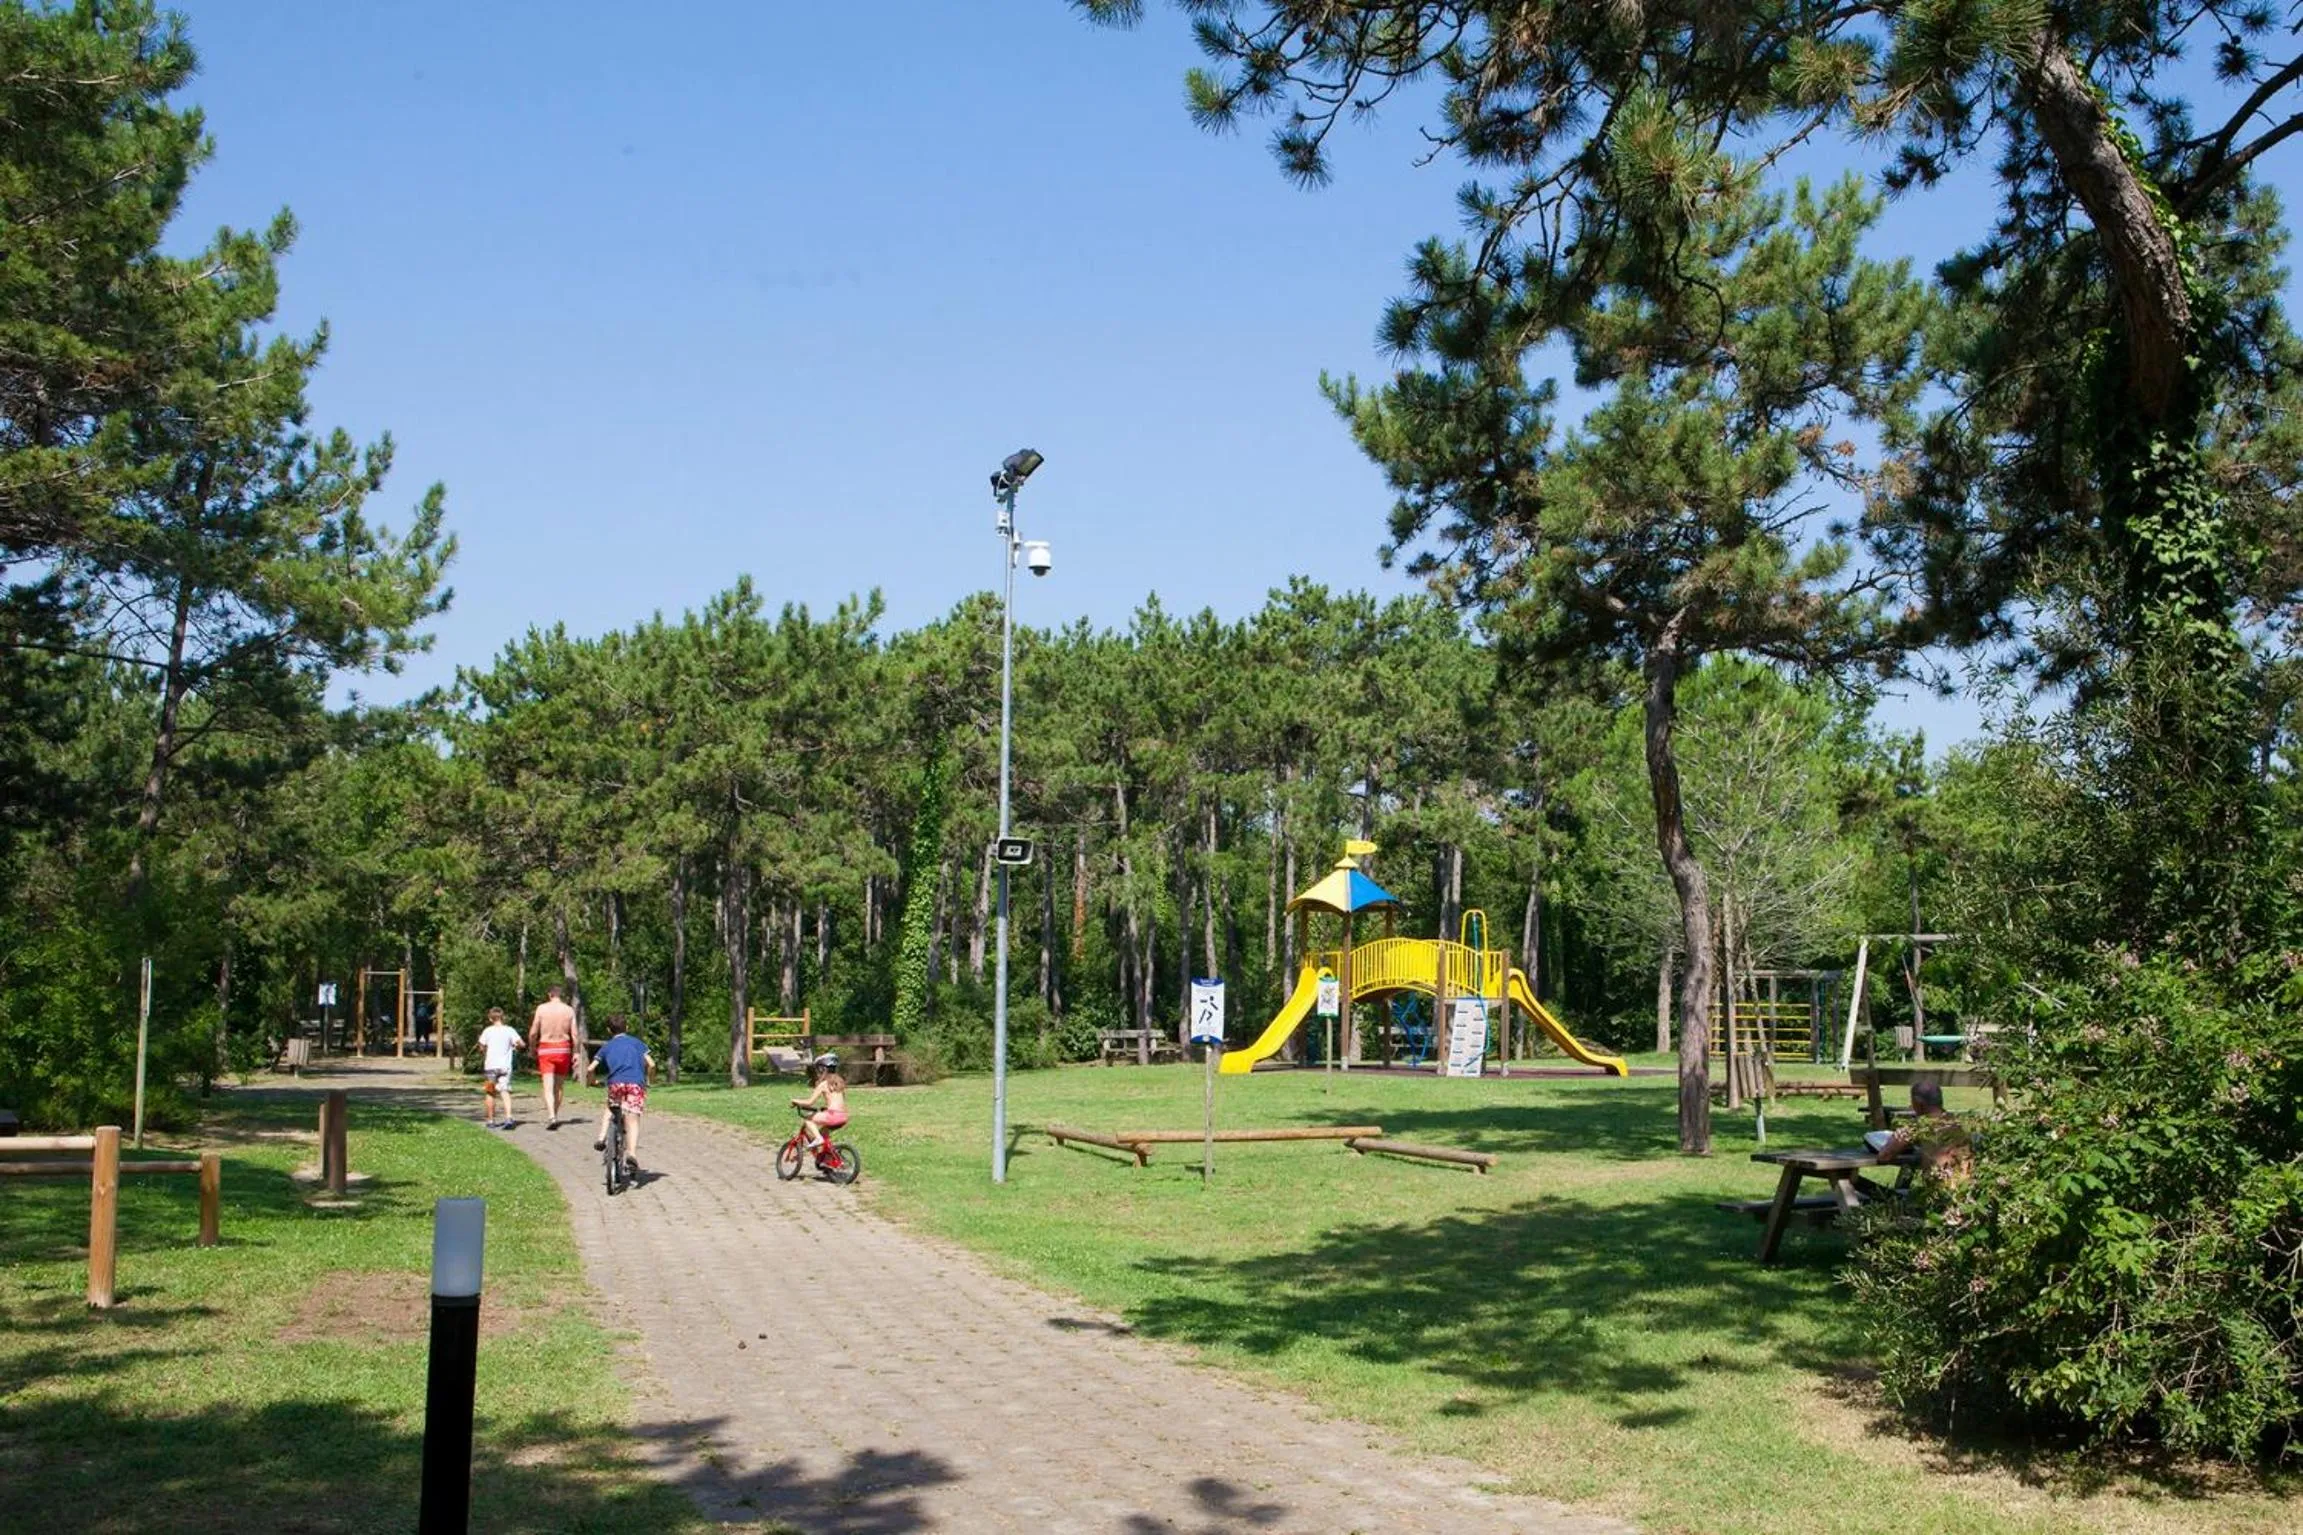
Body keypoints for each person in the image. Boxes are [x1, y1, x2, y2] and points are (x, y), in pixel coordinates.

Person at [589, 1015, 653, 1173]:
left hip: (615, 1083)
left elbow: (590, 1068)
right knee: (633, 1117)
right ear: (627, 1027)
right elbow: (651, 1063)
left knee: (610, 1107)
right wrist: (650, 1079)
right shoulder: (637, 1043)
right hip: (635, 1084)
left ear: (608, 1030)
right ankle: (631, 1153)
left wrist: (593, 1081)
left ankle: (601, 1137)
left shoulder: (607, 1046)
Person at [530, 983, 580, 1130]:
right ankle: (555, 1115)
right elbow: (575, 1034)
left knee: (547, 1085)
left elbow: (533, 1032)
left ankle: (551, 1116)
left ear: (549, 994)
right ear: (561, 995)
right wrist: (576, 1052)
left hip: (546, 1047)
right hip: (563, 1048)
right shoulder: (569, 1010)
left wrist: (532, 1047)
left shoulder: (541, 1009)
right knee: (558, 1086)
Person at [474, 1007, 526, 1129]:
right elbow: (522, 1044)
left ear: (490, 1018)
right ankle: (508, 1117)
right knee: (505, 1090)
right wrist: (516, 1046)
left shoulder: (487, 1031)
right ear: (502, 1017)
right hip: (505, 1067)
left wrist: (484, 1049)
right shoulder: (509, 1030)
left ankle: (491, 1120)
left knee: (490, 1092)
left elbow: (481, 1046)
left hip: (490, 1066)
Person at [790, 1053, 848, 1160]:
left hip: (832, 1116)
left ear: (823, 1069)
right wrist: (826, 1108)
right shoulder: (839, 1082)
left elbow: (809, 1102)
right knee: (823, 1134)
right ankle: (827, 1160)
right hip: (843, 1116)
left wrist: (795, 1101)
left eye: (819, 1070)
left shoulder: (824, 1084)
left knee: (808, 1120)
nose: (818, 1073)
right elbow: (838, 1101)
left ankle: (818, 1139)